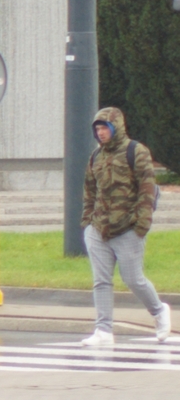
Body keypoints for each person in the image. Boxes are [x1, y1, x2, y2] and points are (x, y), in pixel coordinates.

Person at [81, 107, 168, 347]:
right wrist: (88, 222)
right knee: (101, 280)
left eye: (104, 128)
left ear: (116, 127)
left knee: (133, 278)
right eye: (97, 129)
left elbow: (147, 187)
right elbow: (89, 190)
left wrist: (142, 224)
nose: (100, 133)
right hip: (99, 228)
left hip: (128, 227)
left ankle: (159, 311)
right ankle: (103, 330)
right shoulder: (96, 157)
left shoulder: (136, 151)